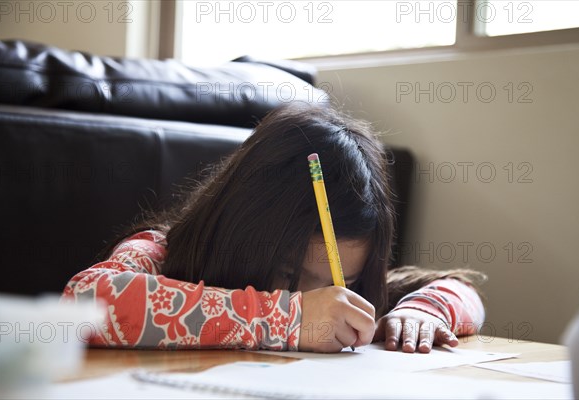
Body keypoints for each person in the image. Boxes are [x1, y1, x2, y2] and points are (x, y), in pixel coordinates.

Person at [62, 103, 486, 353]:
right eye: (288, 274)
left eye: (344, 280)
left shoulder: (352, 298)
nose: (319, 300)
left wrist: (422, 311)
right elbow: (84, 301)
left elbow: (460, 290)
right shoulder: (163, 254)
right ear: (241, 230)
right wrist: (291, 319)